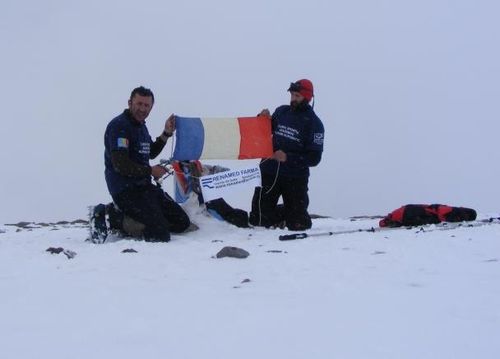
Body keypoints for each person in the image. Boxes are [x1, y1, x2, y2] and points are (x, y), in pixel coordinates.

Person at [103, 86, 190, 242]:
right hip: (125, 190)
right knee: (160, 234)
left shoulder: (141, 127)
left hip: (145, 187)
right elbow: (120, 165)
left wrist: (166, 133)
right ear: (130, 103)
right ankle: (113, 216)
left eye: (146, 105)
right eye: (139, 104)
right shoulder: (119, 126)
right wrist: (151, 171)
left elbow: (150, 152)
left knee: (182, 222)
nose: (142, 109)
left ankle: (148, 219)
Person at [249, 79, 325, 231]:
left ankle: (296, 209)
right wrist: (262, 119)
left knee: (298, 225)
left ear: (308, 98)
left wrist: (288, 157)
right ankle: (286, 210)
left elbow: (314, 158)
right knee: (257, 221)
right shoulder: (281, 111)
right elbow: (262, 133)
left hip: (295, 177)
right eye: (292, 95)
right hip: (270, 171)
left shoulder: (315, 124)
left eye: (297, 96)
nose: (293, 99)